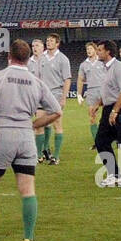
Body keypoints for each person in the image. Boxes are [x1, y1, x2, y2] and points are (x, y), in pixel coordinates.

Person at [0, 40, 61, 241]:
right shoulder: (36, 81)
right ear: (28, 57)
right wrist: (33, 125)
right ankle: (28, 238)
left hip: (1, 135)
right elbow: (57, 111)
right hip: (25, 136)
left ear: (9, 56)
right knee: (27, 189)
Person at [93, 40, 121, 188]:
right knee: (101, 141)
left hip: (120, 107)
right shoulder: (106, 68)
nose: (97, 52)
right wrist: (98, 104)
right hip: (109, 108)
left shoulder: (118, 67)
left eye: (99, 50)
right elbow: (109, 91)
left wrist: (115, 111)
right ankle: (116, 175)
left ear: (108, 52)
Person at [37, 34, 72, 165]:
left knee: (57, 124)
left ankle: (56, 157)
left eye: (51, 40)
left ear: (57, 43)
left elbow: (67, 79)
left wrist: (64, 98)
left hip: (56, 95)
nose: (48, 42)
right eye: (47, 40)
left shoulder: (63, 59)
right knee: (40, 124)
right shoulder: (42, 57)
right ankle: (40, 155)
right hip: (42, 96)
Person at [77, 40, 105, 146]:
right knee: (92, 116)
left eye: (90, 49)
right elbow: (80, 79)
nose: (88, 51)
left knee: (108, 115)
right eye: (87, 49)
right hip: (91, 91)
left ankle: (114, 137)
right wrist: (79, 94)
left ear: (95, 50)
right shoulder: (84, 64)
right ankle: (97, 141)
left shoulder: (102, 61)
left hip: (103, 90)